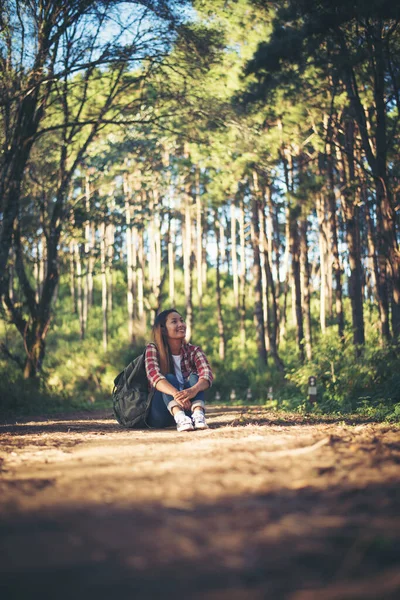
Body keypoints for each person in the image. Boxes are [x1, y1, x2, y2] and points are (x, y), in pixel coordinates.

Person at [145, 309, 213, 432]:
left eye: (182, 320)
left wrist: (193, 390)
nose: (181, 324)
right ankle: (179, 417)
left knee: (196, 378)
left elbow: (207, 375)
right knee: (169, 378)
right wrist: (177, 394)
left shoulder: (193, 350)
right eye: (174, 322)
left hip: (189, 409)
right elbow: (154, 376)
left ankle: (198, 416)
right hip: (160, 413)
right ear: (163, 329)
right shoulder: (153, 349)